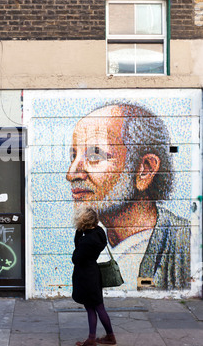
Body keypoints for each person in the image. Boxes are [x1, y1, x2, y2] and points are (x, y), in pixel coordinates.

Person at [67, 101, 191, 291]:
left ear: (145, 170)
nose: (72, 174)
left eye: (95, 155)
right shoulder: (94, 237)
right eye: (73, 156)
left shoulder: (184, 244)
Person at [72, 206, 116, 346]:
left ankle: (91, 340)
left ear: (83, 222)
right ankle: (110, 337)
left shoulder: (86, 241)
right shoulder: (99, 233)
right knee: (99, 306)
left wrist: (78, 234)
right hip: (94, 274)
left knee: (91, 308)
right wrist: (82, 231)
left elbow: (76, 258)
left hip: (86, 276)